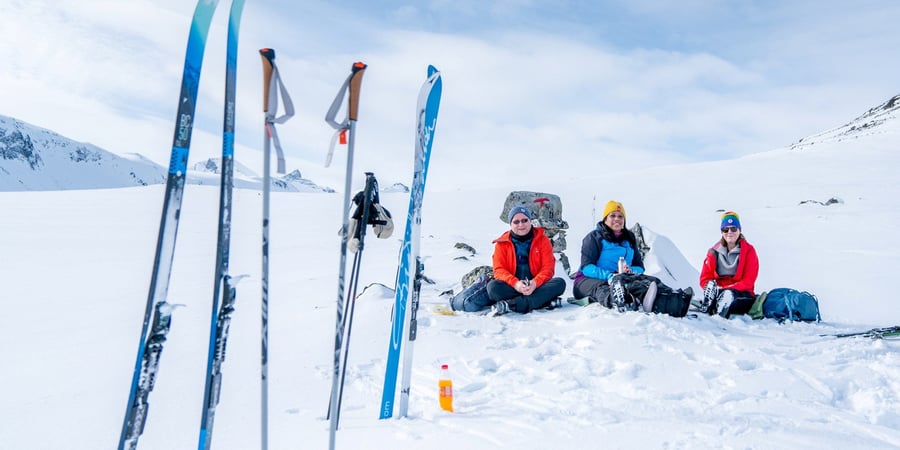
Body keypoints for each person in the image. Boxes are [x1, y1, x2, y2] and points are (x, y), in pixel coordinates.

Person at [572, 200, 693, 313]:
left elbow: (640, 267)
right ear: (605, 219)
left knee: (653, 281)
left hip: (620, 278)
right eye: (612, 215)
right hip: (586, 281)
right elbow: (587, 267)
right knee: (603, 288)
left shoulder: (629, 239)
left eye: (620, 216)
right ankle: (617, 300)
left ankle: (674, 299)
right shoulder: (594, 237)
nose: (617, 219)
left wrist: (631, 270)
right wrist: (609, 276)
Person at [486, 206, 567, 315]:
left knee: (560, 283)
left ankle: (511, 305)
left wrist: (534, 283)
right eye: (516, 222)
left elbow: (548, 268)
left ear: (530, 221)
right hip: (513, 287)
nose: (521, 224)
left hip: (536, 285)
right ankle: (541, 301)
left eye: (525, 220)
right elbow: (499, 270)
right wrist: (516, 284)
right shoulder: (502, 244)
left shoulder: (543, 240)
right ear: (511, 224)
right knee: (493, 288)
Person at [699, 211, 759, 318]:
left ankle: (720, 304)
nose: (729, 232)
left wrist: (728, 289)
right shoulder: (713, 252)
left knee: (730, 296)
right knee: (714, 289)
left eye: (733, 228)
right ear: (722, 232)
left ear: (739, 230)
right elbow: (705, 278)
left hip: (741, 293)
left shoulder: (749, 251)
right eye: (725, 229)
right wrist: (713, 288)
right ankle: (713, 302)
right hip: (718, 291)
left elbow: (748, 282)